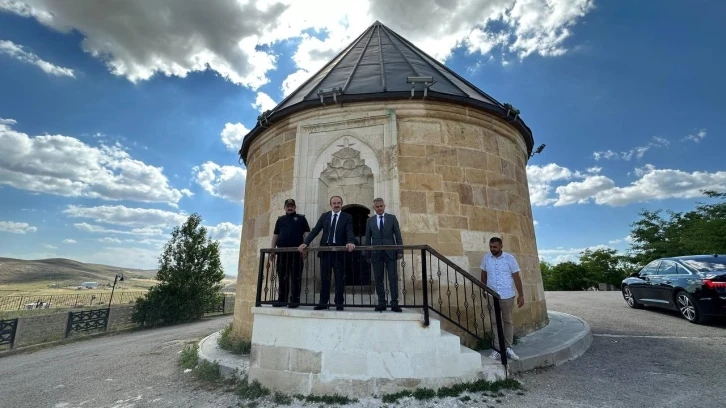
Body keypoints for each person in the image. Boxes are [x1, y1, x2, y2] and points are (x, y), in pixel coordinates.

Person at [299, 195, 355, 310]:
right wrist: (306, 242)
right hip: (325, 251)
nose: (336, 205)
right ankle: (323, 303)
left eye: (338, 203)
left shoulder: (347, 217)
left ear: (341, 204)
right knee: (325, 278)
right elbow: (315, 230)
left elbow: (349, 231)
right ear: (331, 205)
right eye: (334, 203)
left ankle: (339, 303)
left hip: (339, 252)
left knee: (340, 278)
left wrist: (350, 241)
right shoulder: (325, 216)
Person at [480, 236, 524, 361]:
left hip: (507, 295)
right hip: (491, 294)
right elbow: (483, 275)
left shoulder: (510, 258)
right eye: (490, 247)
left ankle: (508, 348)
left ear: (501, 246)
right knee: (494, 322)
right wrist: (484, 289)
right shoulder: (486, 258)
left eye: (495, 247)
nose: (492, 249)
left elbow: (516, 277)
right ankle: (497, 349)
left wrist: (521, 295)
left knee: (508, 321)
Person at [364, 198, 403, 312]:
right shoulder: (370, 221)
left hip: (390, 253)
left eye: (381, 206)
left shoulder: (392, 218)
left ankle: (394, 303)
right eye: (377, 206)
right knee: (378, 279)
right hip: (376, 254)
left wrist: (400, 250)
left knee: (393, 278)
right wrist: (368, 254)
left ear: (384, 206)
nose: (379, 208)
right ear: (374, 208)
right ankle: (382, 303)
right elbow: (367, 239)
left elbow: (398, 235)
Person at [270, 198, 310, 308]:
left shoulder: (301, 219)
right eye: (288, 205)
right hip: (282, 253)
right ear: (284, 207)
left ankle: (294, 300)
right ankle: (282, 299)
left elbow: (306, 235)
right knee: (282, 277)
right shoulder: (280, 220)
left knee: (296, 277)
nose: (290, 207)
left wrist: (305, 249)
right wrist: (273, 250)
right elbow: (275, 236)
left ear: (295, 207)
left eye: (292, 205)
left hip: (296, 253)